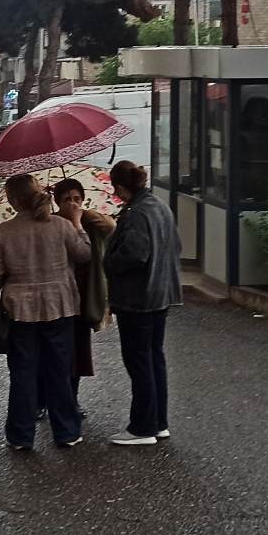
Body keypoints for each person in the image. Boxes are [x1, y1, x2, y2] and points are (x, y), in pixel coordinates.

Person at [0, 173, 90, 449]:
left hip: (21, 311)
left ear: (13, 200)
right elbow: (84, 255)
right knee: (59, 371)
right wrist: (78, 224)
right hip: (60, 306)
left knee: (23, 372)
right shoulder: (61, 226)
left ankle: (21, 435)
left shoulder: (4, 231)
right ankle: (66, 432)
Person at [101, 161, 181, 446]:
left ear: (122, 187)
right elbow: (175, 246)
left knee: (139, 361)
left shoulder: (137, 214)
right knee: (154, 358)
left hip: (137, 297)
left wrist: (109, 261)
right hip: (161, 293)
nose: (116, 194)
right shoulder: (159, 206)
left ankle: (142, 427)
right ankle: (159, 422)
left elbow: (134, 254)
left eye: (116, 189)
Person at [51, 177, 115, 408]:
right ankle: (48, 399)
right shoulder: (52, 223)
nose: (72, 203)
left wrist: (79, 219)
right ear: (57, 202)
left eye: (77, 198)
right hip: (58, 297)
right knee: (55, 351)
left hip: (83, 297)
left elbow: (111, 228)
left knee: (78, 351)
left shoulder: (88, 220)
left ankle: (72, 399)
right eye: (66, 199)